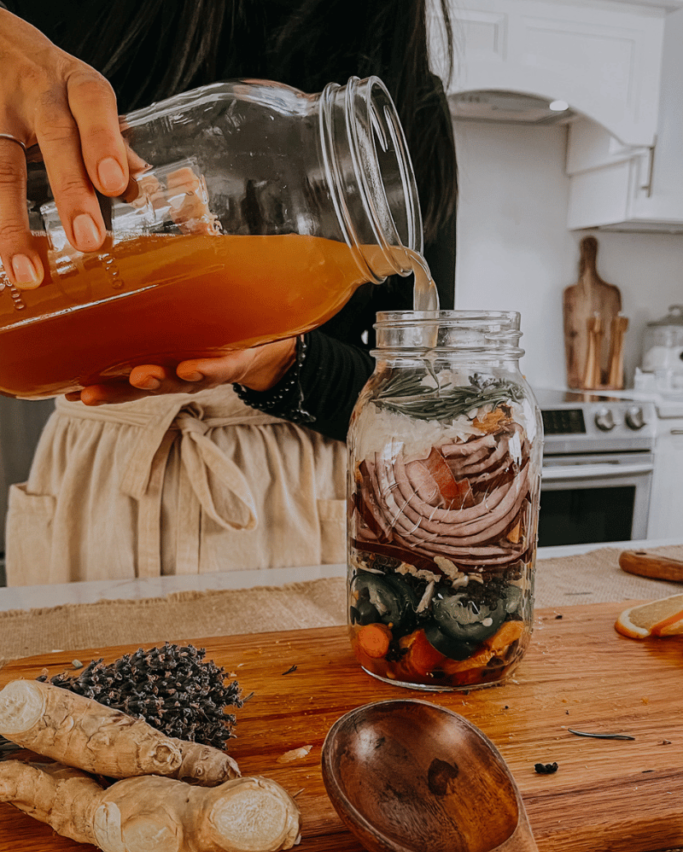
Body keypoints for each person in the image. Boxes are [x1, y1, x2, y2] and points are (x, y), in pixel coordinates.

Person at [0, 0, 458, 584]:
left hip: (296, 497)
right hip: (100, 468)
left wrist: (283, 362)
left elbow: (416, 401)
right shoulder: (87, 19)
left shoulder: (407, 99)